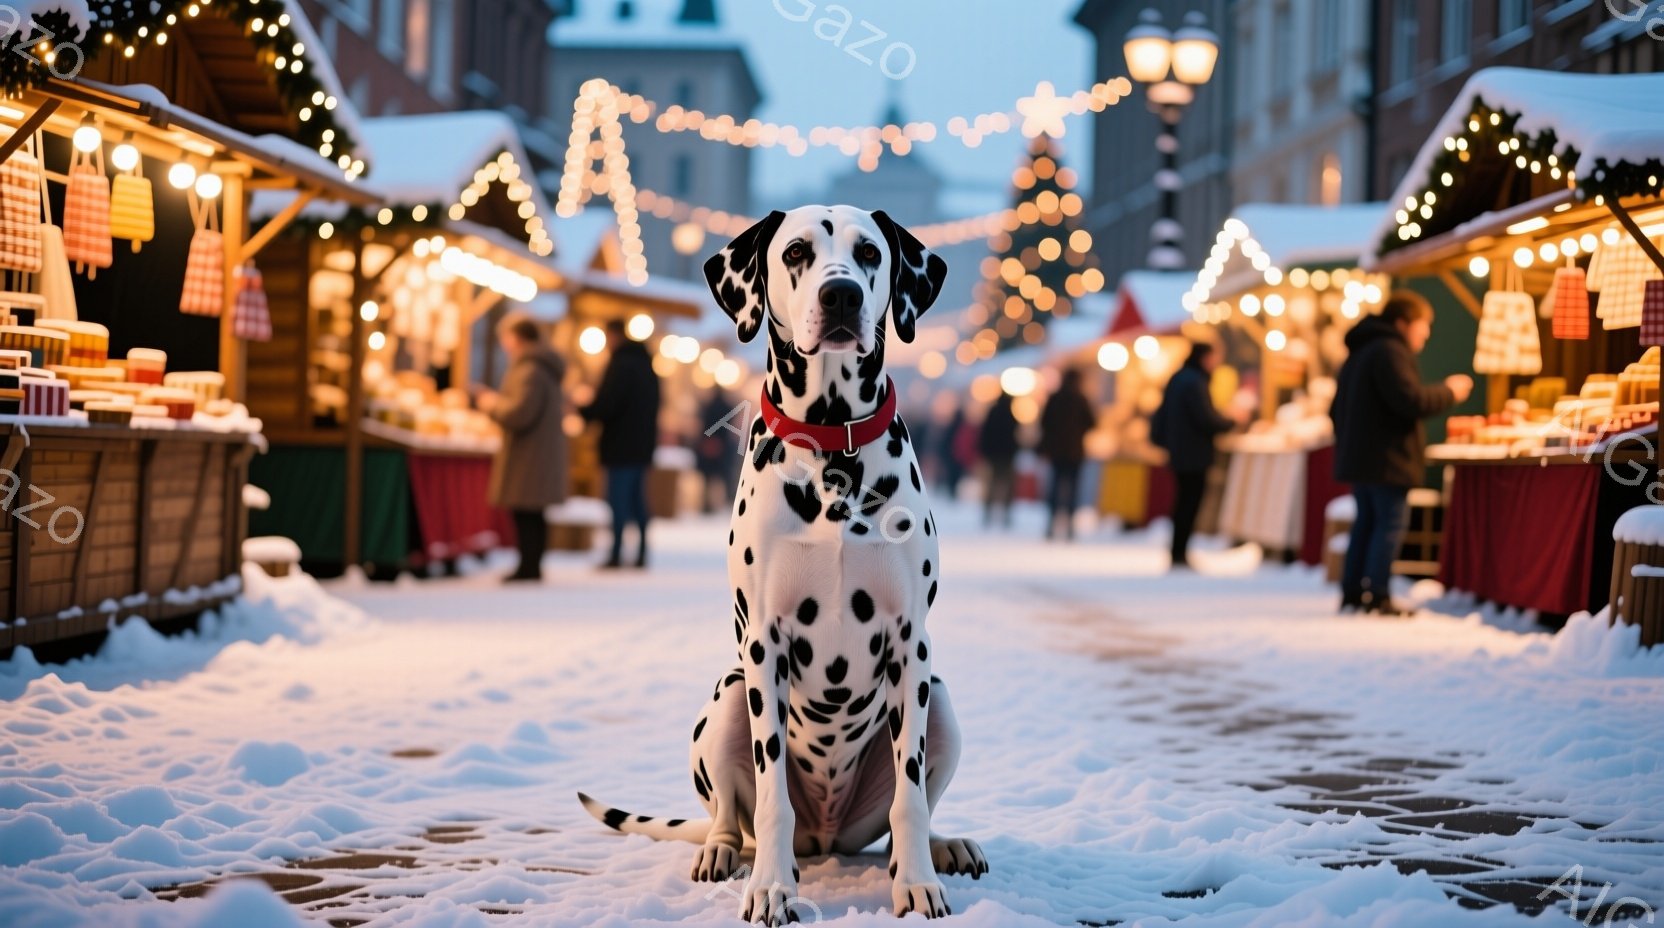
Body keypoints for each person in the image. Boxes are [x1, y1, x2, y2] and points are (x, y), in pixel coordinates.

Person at [1332, 292, 1472, 615]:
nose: (1426, 333)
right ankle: (1379, 596)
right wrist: (1449, 392)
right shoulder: (1389, 351)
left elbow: (1334, 409)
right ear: (1403, 323)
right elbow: (1410, 400)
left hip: (1361, 458)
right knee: (1388, 525)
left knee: (1365, 524)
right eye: (1423, 325)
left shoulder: (1361, 350)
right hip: (1387, 459)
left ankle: (1353, 594)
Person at [481, 313, 568, 583]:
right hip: (539, 452)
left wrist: (491, 405)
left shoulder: (529, 370)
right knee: (533, 513)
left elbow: (520, 412)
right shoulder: (542, 367)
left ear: (517, 338)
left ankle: (528, 566)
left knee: (527, 513)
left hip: (529, 454)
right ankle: (531, 565)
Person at [581, 319, 662, 569]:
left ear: (612, 336)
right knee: (637, 500)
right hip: (642, 445)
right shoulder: (648, 366)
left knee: (618, 500)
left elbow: (608, 403)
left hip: (620, 445)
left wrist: (585, 411)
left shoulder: (620, 365)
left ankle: (616, 552)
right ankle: (641, 552)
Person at [1152, 342, 1237, 570]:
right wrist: (1231, 421)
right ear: (1204, 357)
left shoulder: (1179, 378)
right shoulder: (1194, 382)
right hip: (1193, 452)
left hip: (1179, 450)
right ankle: (1179, 551)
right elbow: (1204, 418)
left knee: (1183, 501)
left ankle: (1178, 550)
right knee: (1189, 502)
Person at [1037, 368, 1096, 541]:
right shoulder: (1081, 399)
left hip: (1057, 451)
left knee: (1055, 486)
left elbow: (1044, 423)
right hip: (1075, 452)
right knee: (1073, 487)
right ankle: (1069, 524)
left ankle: (1051, 523)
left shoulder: (1055, 398)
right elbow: (1092, 422)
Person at [978, 392, 1020, 529]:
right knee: (1007, 484)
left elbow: (985, 432)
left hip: (994, 454)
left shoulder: (993, 412)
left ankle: (988, 511)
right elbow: (1015, 435)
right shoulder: (1011, 414)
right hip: (1007, 454)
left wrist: (985, 451)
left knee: (992, 483)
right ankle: (1006, 512)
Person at [695, 387, 737, 514]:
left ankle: (706, 504)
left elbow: (703, 424)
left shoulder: (708, 406)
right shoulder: (726, 407)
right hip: (722, 444)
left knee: (707, 477)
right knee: (725, 476)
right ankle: (728, 501)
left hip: (708, 442)